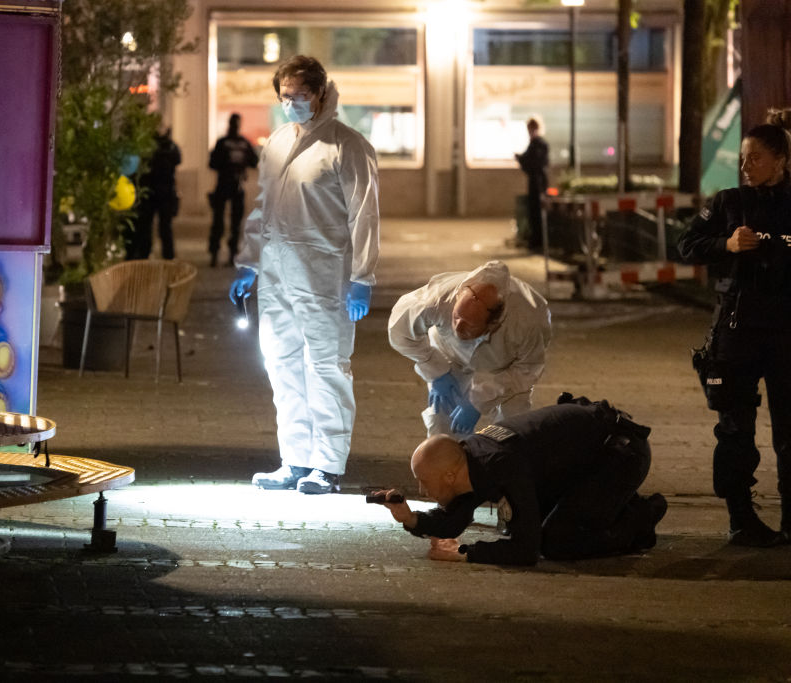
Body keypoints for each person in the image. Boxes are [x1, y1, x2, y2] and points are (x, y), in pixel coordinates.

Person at [228, 55, 380, 495]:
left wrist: (362, 277)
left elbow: (365, 215)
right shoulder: (276, 142)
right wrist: (248, 263)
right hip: (277, 276)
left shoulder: (346, 146)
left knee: (326, 366)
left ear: (320, 93)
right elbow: (263, 209)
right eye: (285, 96)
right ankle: (295, 459)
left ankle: (327, 466)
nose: (291, 103)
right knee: (281, 364)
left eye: (300, 95)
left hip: (325, 275)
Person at [677, 108, 791, 547]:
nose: (746, 167)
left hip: (785, 333)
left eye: (756, 158)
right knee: (735, 429)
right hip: (737, 331)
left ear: (781, 160)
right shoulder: (728, 201)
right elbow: (687, 244)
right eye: (743, 159)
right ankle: (741, 519)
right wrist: (726, 243)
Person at [375, 395, 668, 566]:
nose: (421, 490)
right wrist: (410, 518)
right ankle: (612, 508)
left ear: (450, 475)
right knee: (546, 523)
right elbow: (454, 520)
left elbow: (527, 551)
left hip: (621, 456)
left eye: (424, 481)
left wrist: (466, 554)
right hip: (582, 464)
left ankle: (640, 518)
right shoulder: (468, 462)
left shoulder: (500, 464)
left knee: (557, 542)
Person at [388, 261, 552, 439]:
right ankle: (447, 465)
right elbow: (399, 330)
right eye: (456, 317)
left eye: (469, 325)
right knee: (442, 423)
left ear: (493, 324)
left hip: (506, 365)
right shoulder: (438, 299)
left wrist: (479, 400)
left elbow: (527, 368)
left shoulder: (528, 320)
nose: (458, 327)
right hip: (449, 354)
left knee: (511, 428)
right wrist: (434, 367)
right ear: (458, 297)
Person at [208, 113, 259, 268]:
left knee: (231, 223)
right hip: (227, 185)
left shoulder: (226, 143)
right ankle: (219, 253)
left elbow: (253, 161)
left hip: (232, 186)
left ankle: (225, 254)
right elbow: (254, 161)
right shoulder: (237, 143)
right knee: (222, 222)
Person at [130, 128, 181, 260]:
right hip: (154, 192)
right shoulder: (163, 147)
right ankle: (150, 254)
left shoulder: (167, 147)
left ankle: (162, 256)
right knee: (149, 227)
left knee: (160, 228)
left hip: (160, 192)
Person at [515, 117, 549, 251]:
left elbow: (532, 163)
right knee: (535, 212)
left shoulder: (537, 144)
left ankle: (537, 241)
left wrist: (521, 159)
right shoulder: (538, 144)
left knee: (536, 212)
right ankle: (536, 240)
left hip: (538, 182)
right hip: (539, 181)